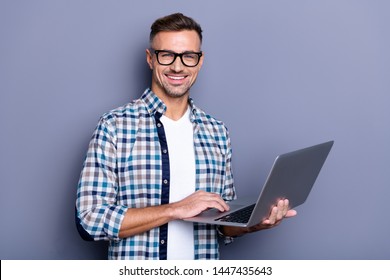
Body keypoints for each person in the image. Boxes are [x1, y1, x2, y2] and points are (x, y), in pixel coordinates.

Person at [75, 12, 297, 260]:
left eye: (188, 56)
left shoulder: (216, 131)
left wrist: (256, 222)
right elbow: (89, 219)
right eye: (167, 55)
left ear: (200, 61)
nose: (178, 66)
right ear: (151, 59)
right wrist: (175, 210)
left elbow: (222, 224)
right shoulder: (114, 126)